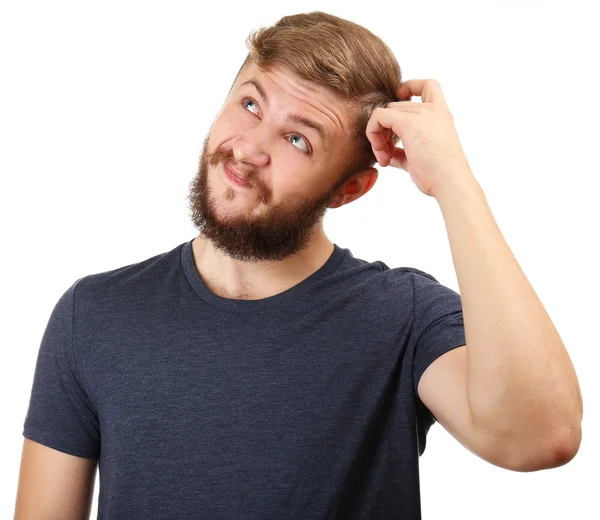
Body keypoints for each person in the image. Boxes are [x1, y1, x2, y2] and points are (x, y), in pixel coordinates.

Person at [14, 10, 582, 520]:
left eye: (297, 138)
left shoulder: (405, 318)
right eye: (251, 103)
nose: (249, 148)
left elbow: (543, 437)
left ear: (350, 190)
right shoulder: (91, 315)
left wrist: (454, 178)